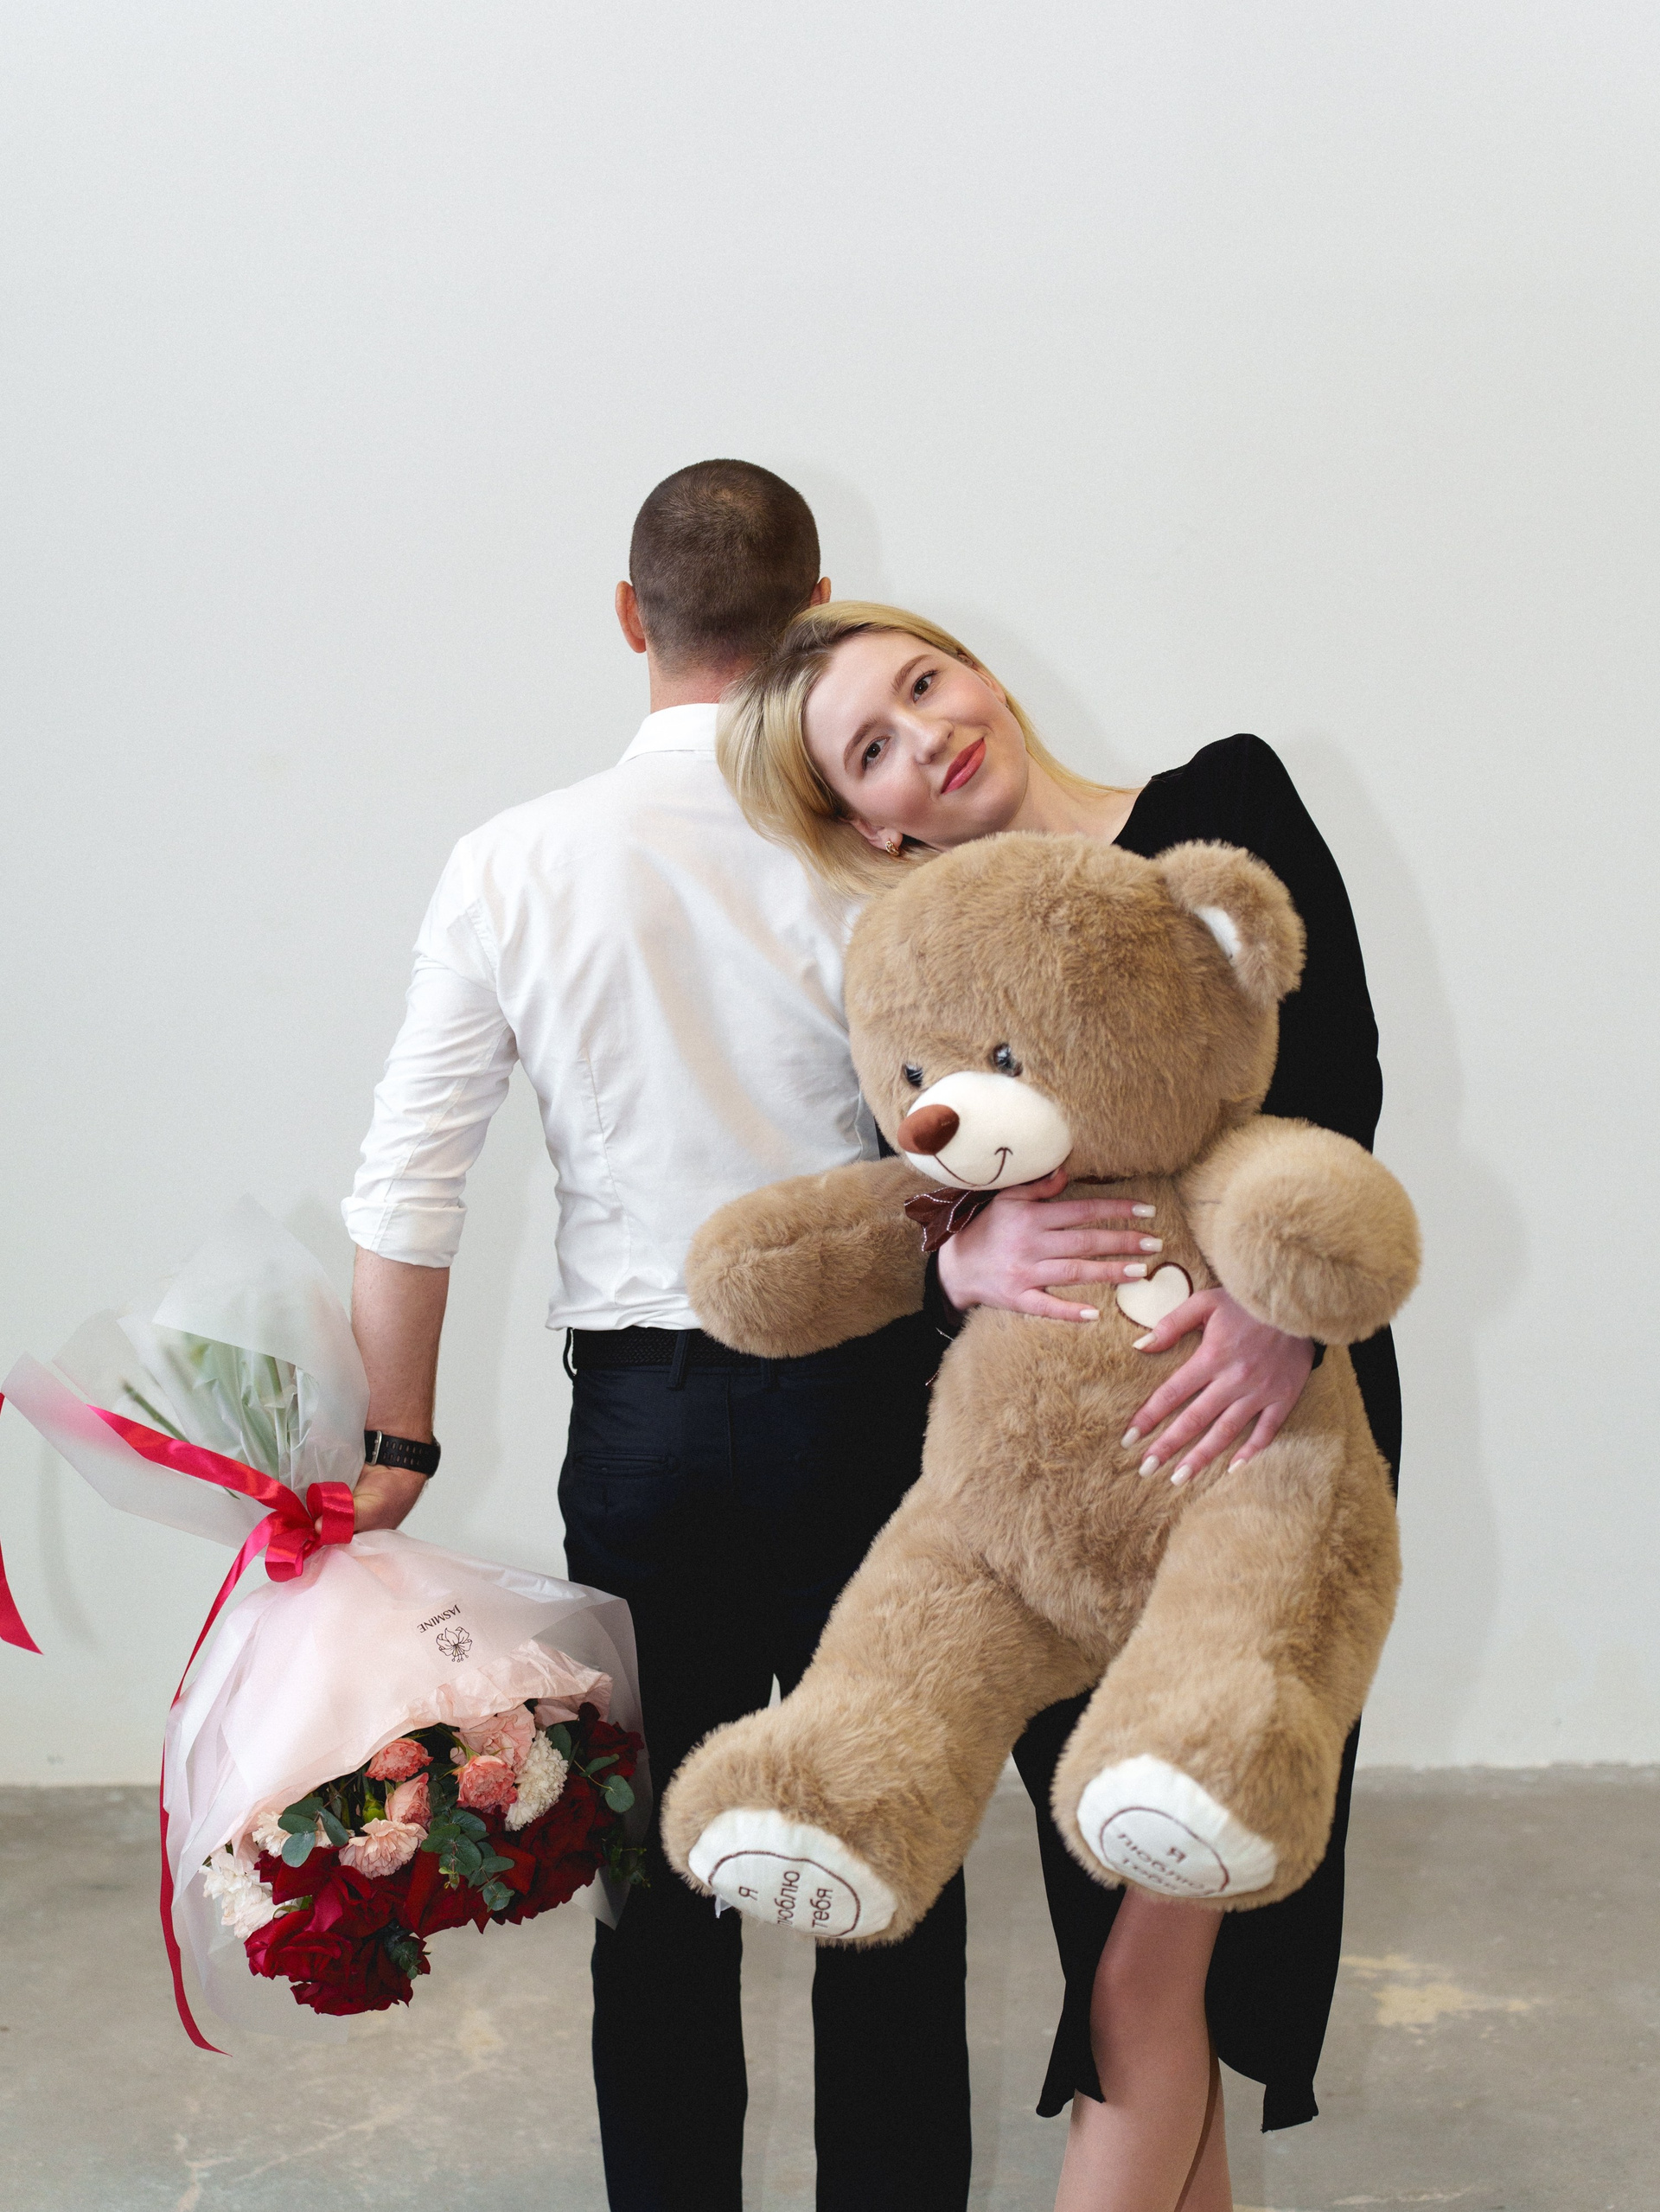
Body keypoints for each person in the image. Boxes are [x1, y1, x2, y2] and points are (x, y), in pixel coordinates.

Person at [715, 601, 1401, 2212]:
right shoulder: (923, 952)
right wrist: (954, 1257)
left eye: (923, 683)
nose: (929, 737)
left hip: (1258, 1440)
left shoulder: (1225, 796)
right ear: (869, 822)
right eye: (874, 750)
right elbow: (910, 1174)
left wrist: (1278, 1320)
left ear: (977, 668)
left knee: (1148, 1970)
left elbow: (1342, 1074)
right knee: (1129, 1949)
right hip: (1051, 1496)